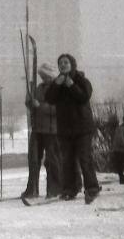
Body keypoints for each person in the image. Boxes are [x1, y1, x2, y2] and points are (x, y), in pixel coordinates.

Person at [44, 53, 101, 204]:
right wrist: (57, 84)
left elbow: (85, 96)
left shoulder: (81, 80)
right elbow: (49, 98)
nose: (62, 65)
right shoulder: (58, 82)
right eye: (60, 63)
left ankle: (92, 188)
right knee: (67, 160)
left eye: (66, 62)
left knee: (85, 158)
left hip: (83, 128)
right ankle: (70, 189)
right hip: (65, 129)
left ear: (72, 64)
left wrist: (71, 85)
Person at [23, 62, 60, 199]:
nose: (44, 78)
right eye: (42, 75)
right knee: (33, 159)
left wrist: (40, 106)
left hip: (52, 130)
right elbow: (33, 105)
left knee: (52, 160)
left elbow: (59, 109)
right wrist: (29, 101)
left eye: (46, 75)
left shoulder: (58, 89)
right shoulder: (39, 87)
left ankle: (54, 189)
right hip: (37, 129)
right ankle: (32, 189)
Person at [112, 114, 124, 185]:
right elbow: (121, 139)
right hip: (119, 149)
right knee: (121, 165)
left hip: (122, 149)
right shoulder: (121, 128)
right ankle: (122, 179)